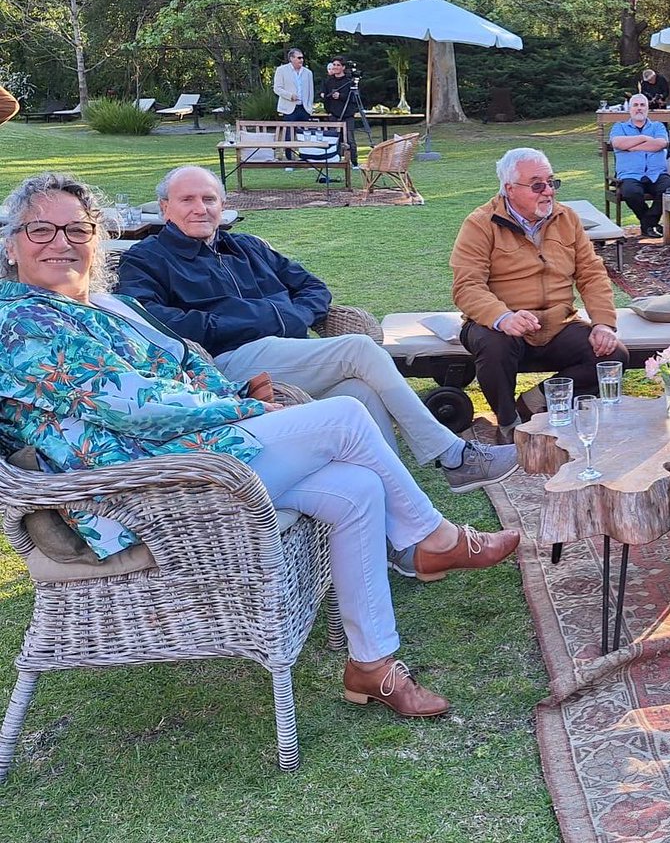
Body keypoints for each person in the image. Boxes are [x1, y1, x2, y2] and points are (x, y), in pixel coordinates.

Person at [0, 172, 520, 718]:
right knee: (343, 416)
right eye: (41, 230)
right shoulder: (22, 322)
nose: (61, 242)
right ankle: (432, 535)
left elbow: (174, 376)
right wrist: (248, 409)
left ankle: (372, 664)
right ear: (11, 246)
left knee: (357, 486)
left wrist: (235, 392)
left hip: (190, 456)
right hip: (140, 488)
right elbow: (133, 407)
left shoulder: (98, 307)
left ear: (95, 239)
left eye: (76, 229)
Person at [116, 166, 517, 497]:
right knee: (358, 350)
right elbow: (149, 321)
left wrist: (287, 317)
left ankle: (397, 509)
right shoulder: (147, 259)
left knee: (360, 396)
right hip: (225, 366)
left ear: (223, 205)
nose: (200, 208)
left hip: (288, 354)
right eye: (187, 199)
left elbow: (314, 289)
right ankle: (453, 455)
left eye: (209, 199)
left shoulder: (248, 248)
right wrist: (250, 320)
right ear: (165, 208)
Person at [450, 147, 629, 440]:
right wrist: (502, 317)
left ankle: (534, 402)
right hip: (501, 325)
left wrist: (603, 324)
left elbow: (591, 274)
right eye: (537, 185)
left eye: (551, 182)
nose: (548, 191)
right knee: (494, 346)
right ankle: (508, 424)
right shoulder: (480, 223)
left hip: (557, 324)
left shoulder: (566, 218)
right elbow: (466, 285)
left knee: (613, 357)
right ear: (510, 188)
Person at [610, 94, 670, 238]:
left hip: (656, 173)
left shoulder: (658, 126)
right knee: (631, 192)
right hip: (630, 175)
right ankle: (651, 225)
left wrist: (631, 146)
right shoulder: (620, 127)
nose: (639, 108)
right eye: (635, 105)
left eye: (642, 105)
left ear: (648, 108)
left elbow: (661, 143)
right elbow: (618, 143)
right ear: (629, 109)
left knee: (669, 188)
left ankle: (647, 223)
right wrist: (644, 138)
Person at [320, 56, 360, 167]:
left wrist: (340, 96)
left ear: (343, 67)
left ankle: (354, 162)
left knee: (350, 139)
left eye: (338, 65)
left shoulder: (349, 81)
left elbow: (354, 98)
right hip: (333, 114)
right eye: (334, 65)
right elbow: (324, 94)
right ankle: (335, 159)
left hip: (347, 115)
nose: (336, 67)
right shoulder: (328, 81)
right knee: (334, 138)